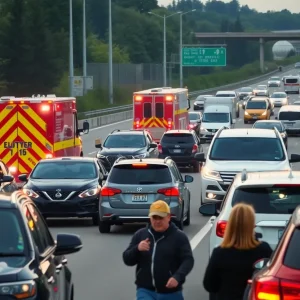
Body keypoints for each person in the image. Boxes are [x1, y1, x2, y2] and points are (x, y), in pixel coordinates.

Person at [122, 200, 194, 300]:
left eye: (161, 217)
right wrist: (137, 249)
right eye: (154, 217)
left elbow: (188, 260)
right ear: (150, 218)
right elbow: (127, 259)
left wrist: (177, 277)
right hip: (145, 290)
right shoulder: (141, 235)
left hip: (171, 292)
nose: (157, 221)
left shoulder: (179, 237)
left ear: (168, 217)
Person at [203, 203, 273, 300]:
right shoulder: (264, 250)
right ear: (252, 225)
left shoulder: (219, 253)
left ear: (230, 225)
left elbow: (209, 284)